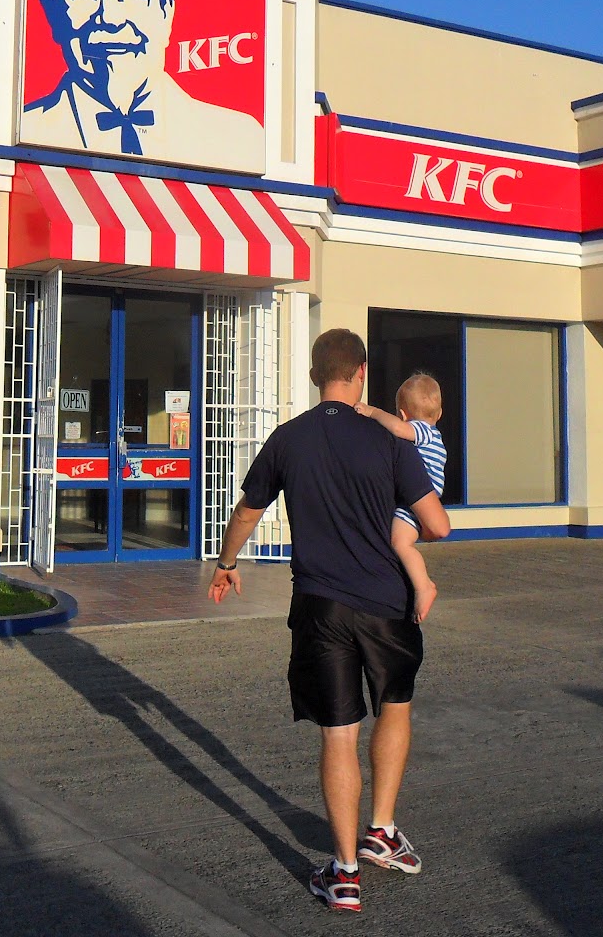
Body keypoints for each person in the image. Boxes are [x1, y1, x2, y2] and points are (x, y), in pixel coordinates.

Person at [208, 329, 450, 914]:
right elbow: (437, 525)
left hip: (321, 607)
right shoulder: (391, 440)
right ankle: (383, 832)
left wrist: (226, 562)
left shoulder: (288, 438)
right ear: (362, 372)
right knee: (394, 708)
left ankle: (343, 874)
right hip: (388, 606)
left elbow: (247, 511)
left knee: (338, 732)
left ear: (317, 374)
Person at [23, 0, 266, 174]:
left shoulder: (241, 140)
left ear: (166, 11)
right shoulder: (30, 127)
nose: (110, 18)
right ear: (51, 10)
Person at [357, 372, 448, 624]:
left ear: (403, 414)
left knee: (400, 543)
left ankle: (423, 585)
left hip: (413, 502)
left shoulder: (421, 430)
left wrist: (372, 412)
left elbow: (398, 429)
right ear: (439, 414)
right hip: (420, 499)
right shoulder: (434, 433)